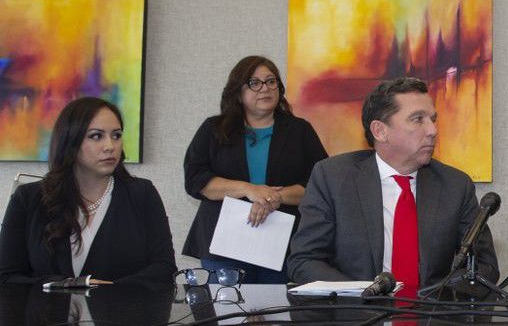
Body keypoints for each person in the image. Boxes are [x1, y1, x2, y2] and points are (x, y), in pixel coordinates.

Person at [288, 77, 499, 293]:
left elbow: (485, 267)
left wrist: (439, 299)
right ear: (380, 131)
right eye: (418, 119)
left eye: (432, 119)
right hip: (354, 317)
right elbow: (304, 261)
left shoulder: (455, 185)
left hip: (431, 319)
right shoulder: (332, 178)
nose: (432, 130)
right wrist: (362, 294)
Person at [183, 55, 327, 283]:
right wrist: (248, 189)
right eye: (254, 83)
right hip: (224, 246)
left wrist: (275, 197)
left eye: (271, 82)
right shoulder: (214, 128)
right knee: (228, 314)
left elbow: (320, 185)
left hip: (283, 244)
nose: (265, 89)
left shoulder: (300, 131)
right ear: (238, 92)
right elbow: (195, 181)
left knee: (278, 315)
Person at [0, 97, 175, 284]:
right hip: (47, 313)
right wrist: (68, 285)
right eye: (96, 136)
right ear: (71, 142)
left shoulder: (142, 194)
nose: (110, 146)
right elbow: (6, 277)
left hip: (122, 312)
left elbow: (164, 269)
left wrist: (112, 291)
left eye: (116, 135)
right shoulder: (28, 198)